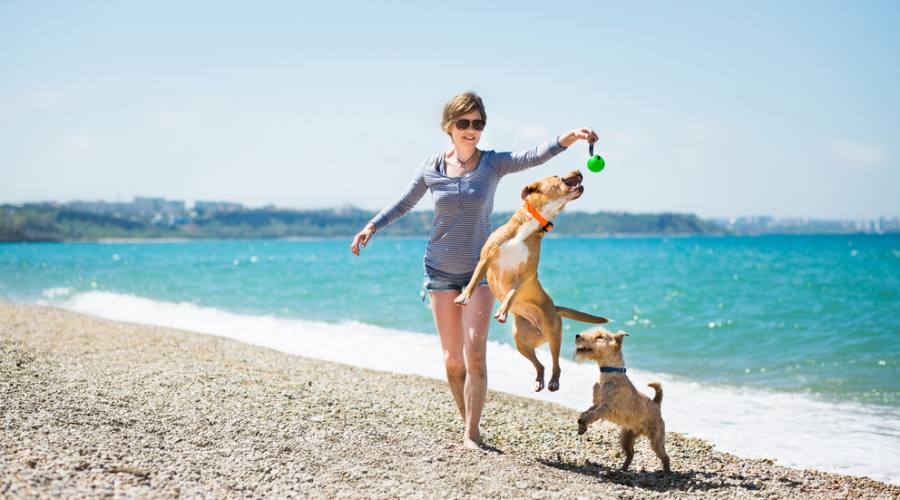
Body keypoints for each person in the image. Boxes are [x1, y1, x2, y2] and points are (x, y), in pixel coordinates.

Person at [350, 91, 598, 449]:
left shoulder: (491, 164)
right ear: (449, 127)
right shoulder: (432, 168)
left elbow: (531, 156)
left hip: (481, 274)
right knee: (453, 362)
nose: (471, 130)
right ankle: (466, 420)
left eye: (478, 124)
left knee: (475, 355)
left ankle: (472, 433)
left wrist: (569, 138)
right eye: (464, 123)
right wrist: (372, 226)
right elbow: (404, 202)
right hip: (438, 271)